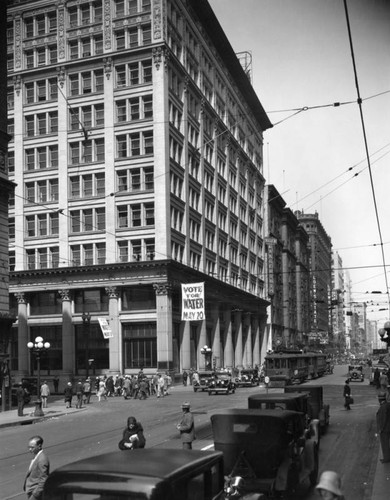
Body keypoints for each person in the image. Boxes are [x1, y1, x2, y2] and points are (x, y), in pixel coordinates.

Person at [23, 435, 50, 500]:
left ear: (39, 446)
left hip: (35, 493)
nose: (30, 449)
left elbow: (44, 479)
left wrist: (35, 495)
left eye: (32, 447)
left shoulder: (42, 459)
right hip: (31, 491)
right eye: (29, 447)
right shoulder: (36, 456)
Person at [376, 394, 390, 463]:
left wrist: (381, 428)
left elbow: (383, 419)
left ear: (380, 399)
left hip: (385, 429)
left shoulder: (383, 407)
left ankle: (386, 458)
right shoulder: (387, 405)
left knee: (385, 444)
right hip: (388, 427)